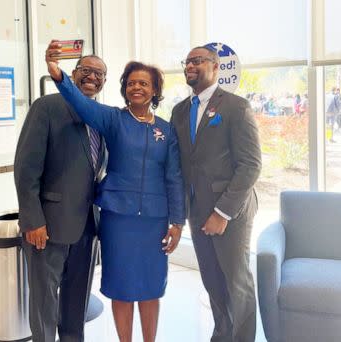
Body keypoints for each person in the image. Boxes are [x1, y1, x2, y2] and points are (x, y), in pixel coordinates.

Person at [45, 40, 185, 342]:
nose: (137, 87)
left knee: (150, 288)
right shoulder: (112, 119)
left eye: (144, 83)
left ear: (154, 90)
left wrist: (178, 221)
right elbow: (81, 103)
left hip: (153, 222)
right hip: (118, 219)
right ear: (124, 88)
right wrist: (58, 75)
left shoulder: (166, 129)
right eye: (132, 82)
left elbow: (174, 176)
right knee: (122, 287)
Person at [171, 46, 262, 342]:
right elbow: (181, 162)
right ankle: (223, 334)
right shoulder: (180, 111)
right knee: (212, 280)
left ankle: (243, 337)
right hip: (196, 210)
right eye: (188, 62)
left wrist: (222, 213)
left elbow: (250, 165)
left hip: (230, 212)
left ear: (216, 68)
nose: (191, 66)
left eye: (198, 61)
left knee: (236, 282)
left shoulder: (236, 107)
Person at [14, 54, 107, 342]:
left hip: (87, 228)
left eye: (99, 73)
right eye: (86, 70)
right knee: (44, 302)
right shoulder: (47, 107)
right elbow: (26, 169)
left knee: (76, 299)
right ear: (73, 73)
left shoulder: (101, 116)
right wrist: (32, 220)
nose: (92, 77)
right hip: (47, 227)